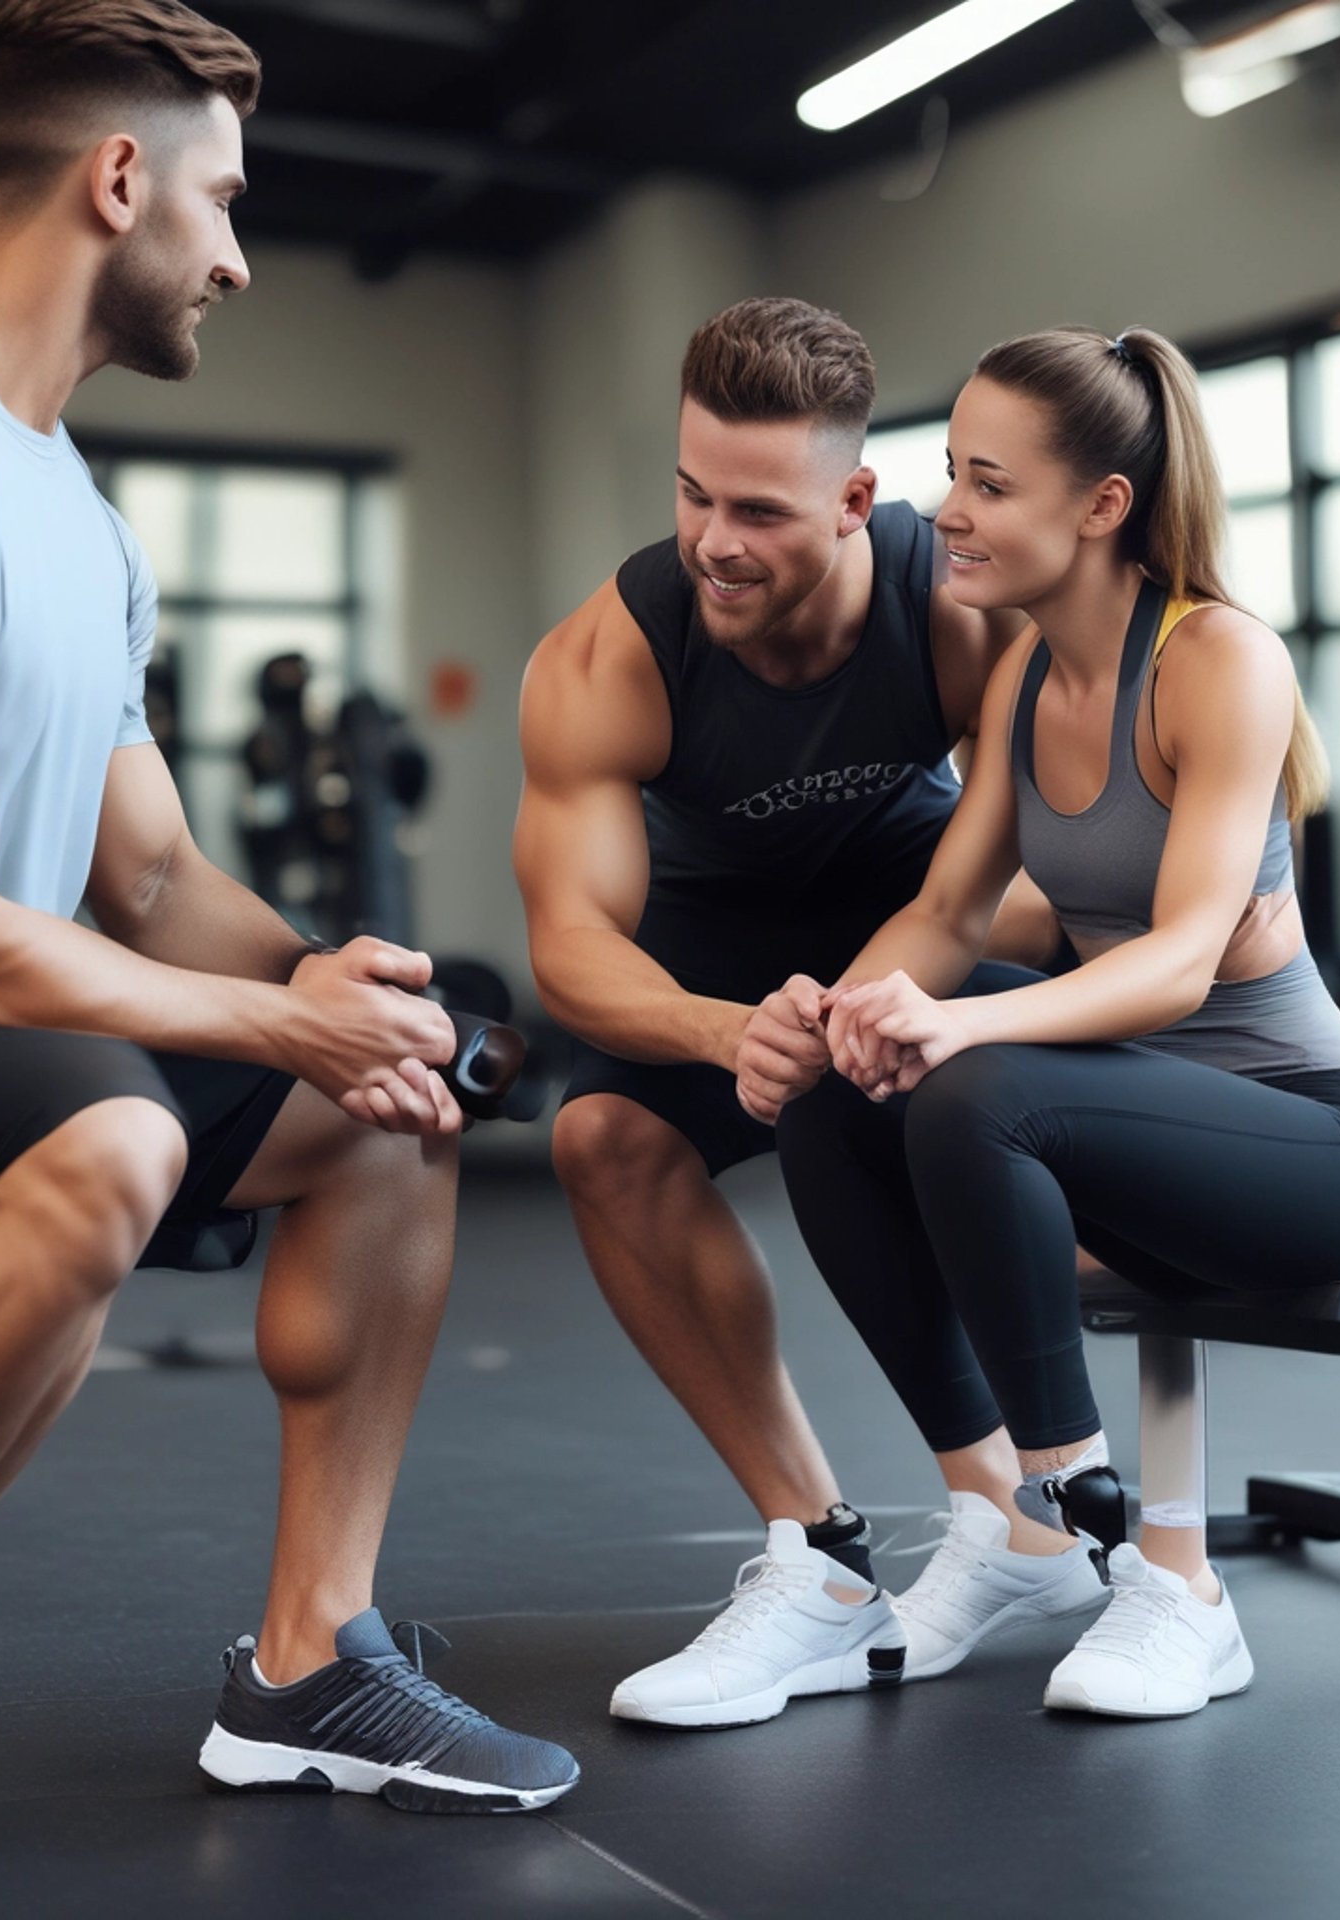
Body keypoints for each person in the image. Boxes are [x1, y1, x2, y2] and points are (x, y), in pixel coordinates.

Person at [0, 6, 574, 1916]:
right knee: (110, 1130)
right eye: (224, 200)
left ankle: (308, 1664)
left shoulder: (76, 518)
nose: (242, 255)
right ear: (120, 180)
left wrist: (368, 999)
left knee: (383, 1112)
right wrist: (284, 1017)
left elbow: (157, 866)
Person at [767, 324, 1340, 1718]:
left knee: (975, 1081)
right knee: (847, 1081)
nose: (950, 510)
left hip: (1320, 1145)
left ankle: (1141, 1562)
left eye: (989, 484)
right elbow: (946, 919)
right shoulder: (1019, 682)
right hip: (1131, 1104)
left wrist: (959, 1034)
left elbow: (1183, 960)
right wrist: (853, 1009)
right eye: (953, 473)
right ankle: (1012, 1520)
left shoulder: (1215, 658)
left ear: (1102, 505)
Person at [514, 296, 1106, 1731]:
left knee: (981, 1068)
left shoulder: (956, 610)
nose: (715, 539)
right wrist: (731, 1032)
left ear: (854, 500)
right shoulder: (612, 655)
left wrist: (905, 992)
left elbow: (1055, 875)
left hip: (928, 902)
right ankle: (823, 1554)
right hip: (715, 940)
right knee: (599, 1136)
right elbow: (571, 944)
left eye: (761, 512)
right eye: (693, 493)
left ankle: (1030, 1505)